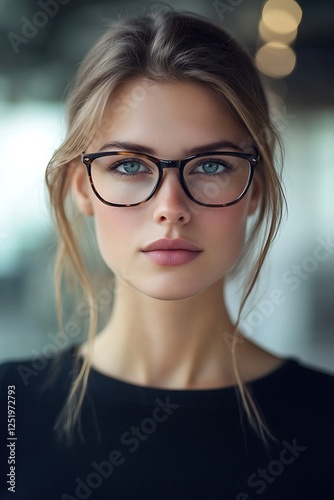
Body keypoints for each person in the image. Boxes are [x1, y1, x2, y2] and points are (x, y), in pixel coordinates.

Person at [0, 7, 333, 500]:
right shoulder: (9, 410)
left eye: (212, 164)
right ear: (83, 189)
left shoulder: (324, 418)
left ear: (256, 187)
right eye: (131, 165)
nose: (170, 208)